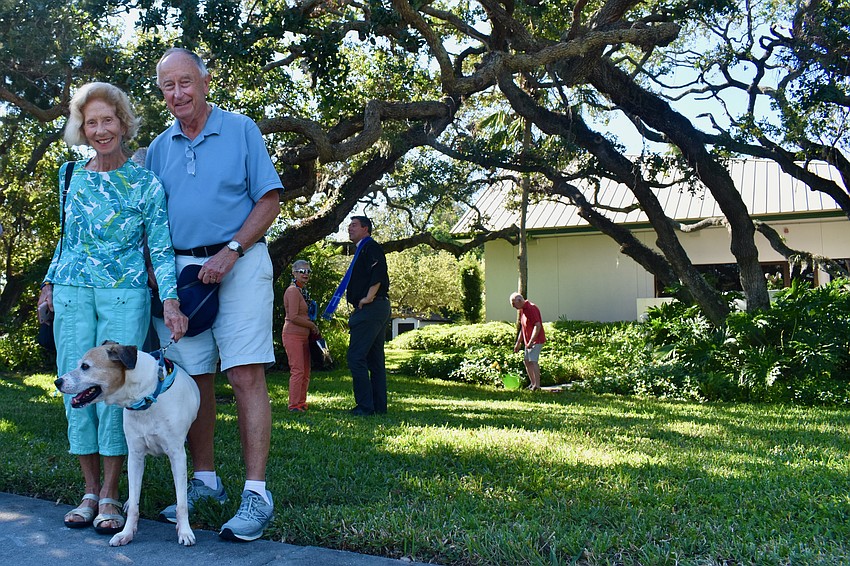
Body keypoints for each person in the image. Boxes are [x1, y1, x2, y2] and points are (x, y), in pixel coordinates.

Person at [37, 82, 187, 534]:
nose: (100, 130)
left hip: (124, 293)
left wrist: (172, 301)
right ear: (81, 128)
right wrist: (48, 282)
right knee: (76, 390)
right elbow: (66, 238)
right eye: (91, 122)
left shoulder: (144, 182)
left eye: (108, 120)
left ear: (123, 123)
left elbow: (160, 248)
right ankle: (87, 491)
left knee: (116, 396)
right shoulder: (69, 175)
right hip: (71, 291)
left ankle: (111, 496)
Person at [146, 47, 282, 542]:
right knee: (192, 376)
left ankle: (256, 492)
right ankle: (204, 481)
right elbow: (152, 222)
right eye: (168, 87)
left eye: (185, 83)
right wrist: (166, 288)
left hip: (239, 261)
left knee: (244, 372)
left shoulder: (241, 129)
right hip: (181, 272)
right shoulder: (158, 148)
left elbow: (269, 198)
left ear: (205, 81)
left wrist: (230, 251)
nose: (178, 94)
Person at [343, 216, 391, 416]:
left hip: (371, 309)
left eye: (354, 225)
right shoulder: (362, 248)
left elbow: (379, 272)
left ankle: (364, 406)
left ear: (366, 229)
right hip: (378, 309)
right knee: (375, 359)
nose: (349, 229)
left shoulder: (370, 247)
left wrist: (367, 298)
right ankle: (378, 406)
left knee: (356, 357)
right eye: (349, 226)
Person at [282, 260, 319, 412]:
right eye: (302, 271)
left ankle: (301, 402)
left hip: (304, 337)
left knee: (305, 371)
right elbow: (293, 316)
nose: (306, 274)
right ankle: (294, 405)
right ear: (294, 273)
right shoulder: (292, 291)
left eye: (308, 271)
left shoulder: (302, 292)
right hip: (292, 335)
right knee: (297, 370)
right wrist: (311, 325)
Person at [510, 292, 546, 390]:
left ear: (520, 300)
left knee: (533, 361)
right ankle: (533, 383)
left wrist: (531, 341)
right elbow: (523, 328)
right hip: (528, 341)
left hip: (536, 340)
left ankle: (537, 386)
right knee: (526, 361)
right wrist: (518, 343)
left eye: (514, 304)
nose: (513, 306)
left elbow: (537, 325)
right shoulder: (522, 310)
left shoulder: (531, 308)